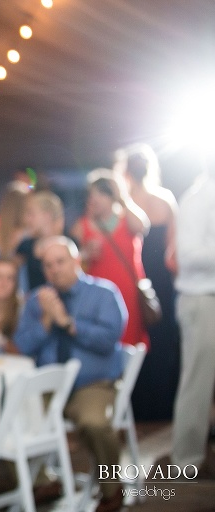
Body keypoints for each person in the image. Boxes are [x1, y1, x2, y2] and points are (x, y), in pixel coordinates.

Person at [14, 236, 127, 512]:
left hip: (90, 384)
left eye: (60, 262)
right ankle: (43, 482)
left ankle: (112, 489)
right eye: (48, 265)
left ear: (77, 261)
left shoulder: (103, 293)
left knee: (94, 423)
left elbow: (108, 339)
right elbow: (23, 346)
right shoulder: (37, 301)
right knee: (10, 415)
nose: (54, 270)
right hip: (48, 388)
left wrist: (67, 323)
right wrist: (45, 321)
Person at [115, 143, 181, 421]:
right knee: (164, 340)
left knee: (135, 341)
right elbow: (173, 251)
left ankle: (137, 407)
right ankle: (164, 405)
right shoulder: (165, 200)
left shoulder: (123, 205)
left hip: (134, 283)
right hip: (161, 284)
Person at [170, 147, 215, 477]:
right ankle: (185, 462)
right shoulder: (198, 198)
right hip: (202, 299)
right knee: (197, 382)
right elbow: (187, 255)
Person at [70, 169, 150, 348]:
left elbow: (143, 226)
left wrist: (123, 198)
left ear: (112, 195)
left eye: (101, 193)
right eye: (91, 194)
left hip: (128, 292)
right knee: (102, 340)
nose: (94, 199)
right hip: (96, 297)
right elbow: (72, 264)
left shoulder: (127, 220)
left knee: (129, 342)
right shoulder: (81, 226)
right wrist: (84, 254)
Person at [15, 190, 65, 294]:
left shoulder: (70, 246)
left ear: (47, 216)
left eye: (31, 214)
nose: (26, 219)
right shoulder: (25, 246)